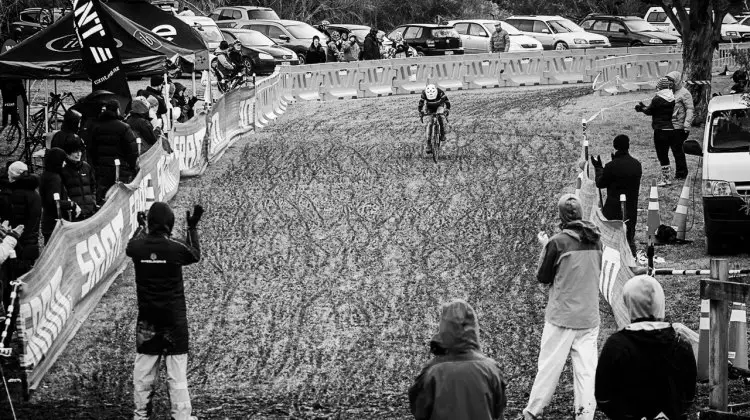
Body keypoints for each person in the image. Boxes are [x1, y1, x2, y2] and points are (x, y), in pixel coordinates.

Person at [520, 194, 602, 420]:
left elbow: (543, 276)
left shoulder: (557, 242)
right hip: (589, 316)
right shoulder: (597, 240)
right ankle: (585, 415)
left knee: (548, 367)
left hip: (562, 317)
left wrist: (545, 247)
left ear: (561, 216)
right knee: (586, 372)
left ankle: (532, 412)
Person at [126, 202, 203, 420]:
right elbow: (194, 254)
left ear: (150, 222)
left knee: (143, 373)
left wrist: (140, 227)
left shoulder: (138, 248)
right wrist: (192, 228)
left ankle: (140, 415)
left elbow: (131, 245)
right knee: (176, 375)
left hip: (148, 320)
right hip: (174, 320)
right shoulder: (174, 248)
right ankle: (181, 417)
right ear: (170, 224)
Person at [595, 275, 697, 420]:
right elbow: (688, 397)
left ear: (628, 303)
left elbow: (604, 398)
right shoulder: (680, 344)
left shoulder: (616, 345)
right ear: (661, 302)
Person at [408, 299, 506, 420]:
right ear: (474, 329)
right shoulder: (492, 369)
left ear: (444, 328)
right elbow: (498, 410)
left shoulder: (432, 372)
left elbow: (419, 411)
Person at [591, 135, 642, 257]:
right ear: (628, 146)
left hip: (613, 208)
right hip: (631, 207)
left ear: (615, 147)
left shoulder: (611, 166)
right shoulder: (636, 164)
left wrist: (599, 168)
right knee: (629, 238)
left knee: (611, 240)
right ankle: (631, 258)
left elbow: (600, 183)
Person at [87, 100, 139, 204]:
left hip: (101, 170)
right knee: (120, 200)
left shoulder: (96, 127)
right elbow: (132, 150)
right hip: (120, 170)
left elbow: (91, 149)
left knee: (104, 199)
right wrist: (133, 167)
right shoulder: (124, 128)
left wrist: (95, 166)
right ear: (117, 110)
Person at [635, 77, 676, 187]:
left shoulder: (657, 98)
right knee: (666, 155)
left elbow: (650, 111)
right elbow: (655, 110)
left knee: (662, 155)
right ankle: (667, 177)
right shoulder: (672, 98)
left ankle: (666, 179)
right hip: (670, 129)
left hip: (660, 129)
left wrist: (641, 108)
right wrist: (645, 107)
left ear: (659, 87)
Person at [5, 161, 41, 275]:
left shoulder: (17, 195)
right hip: (32, 240)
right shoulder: (34, 192)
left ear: (13, 175)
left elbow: (17, 220)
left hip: (20, 244)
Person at [39, 148, 80, 243]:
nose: (64, 164)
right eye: (63, 161)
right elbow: (55, 201)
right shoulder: (54, 179)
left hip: (49, 221)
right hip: (55, 222)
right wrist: (72, 205)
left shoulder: (47, 175)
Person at [60, 137, 97, 221]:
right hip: (74, 215)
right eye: (75, 151)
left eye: (80, 151)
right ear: (68, 153)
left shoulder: (86, 167)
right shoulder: (62, 170)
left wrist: (93, 201)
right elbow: (62, 193)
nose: (78, 154)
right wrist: (72, 207)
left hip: (90, 212)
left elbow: (93, 185)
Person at [666, 71, 694, 180]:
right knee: (675, 150)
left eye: (671, 80)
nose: (669, 83)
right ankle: (680, 172)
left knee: (678, 150)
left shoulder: (684, 93)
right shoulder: (668, 92)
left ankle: (681, 173)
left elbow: (690, 109)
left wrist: (687, 124)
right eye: (668, 80)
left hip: (680, 127)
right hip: (670, 126)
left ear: (676, 81)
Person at [418, 84, 451, 154]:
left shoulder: (441, 92)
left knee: (440, 117)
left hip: (439, 106)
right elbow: (421, 103)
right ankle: (428, 143)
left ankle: (442, 134)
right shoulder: (424, 93)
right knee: (430, 123)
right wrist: (420, 111)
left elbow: (447, 102)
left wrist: (447, 109)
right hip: (429, 107)